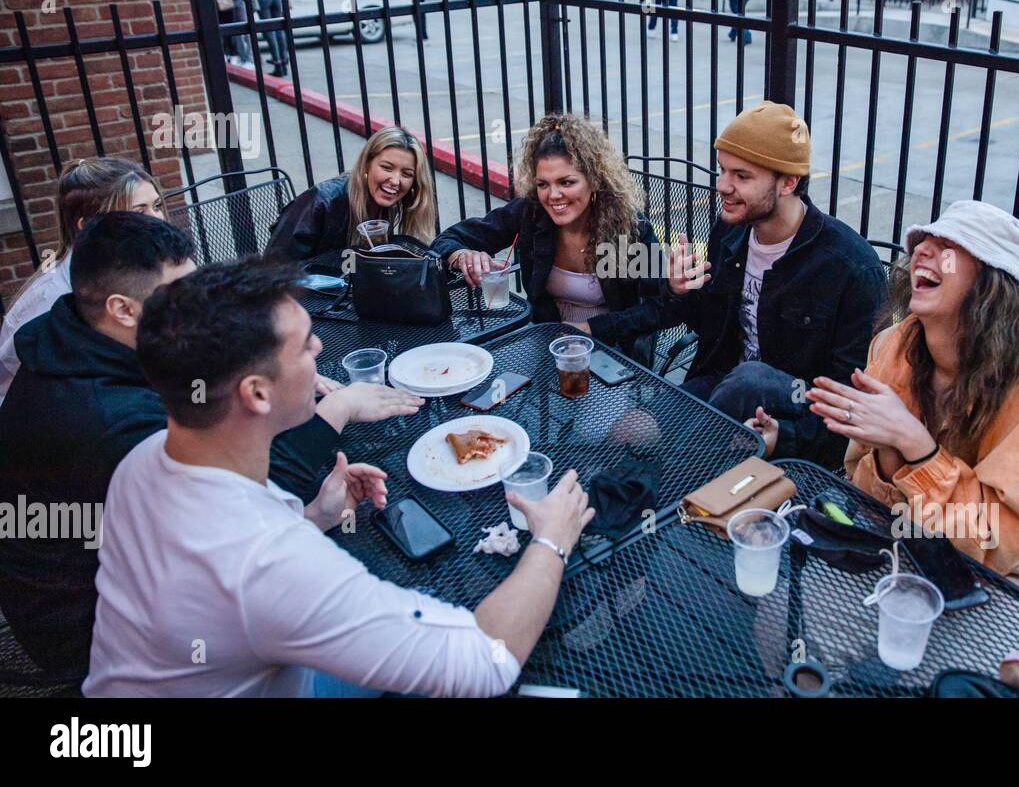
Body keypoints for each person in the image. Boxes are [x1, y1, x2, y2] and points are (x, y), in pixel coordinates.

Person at [84, 257, 593, 697]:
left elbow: (225, 586)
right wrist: (550, 540)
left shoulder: (147, 457)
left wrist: (312, 518)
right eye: (305, 346)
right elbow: (485, 661)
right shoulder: (270, 563)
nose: (321, 349)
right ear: (257, 393)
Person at [0, 213, 422, 676]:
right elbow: (247, 502)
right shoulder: (112, 423)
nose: (197, 306)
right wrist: (333, 412)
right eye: (180, 294)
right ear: (123, 309)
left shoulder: (76, 340)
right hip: (102, 637)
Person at [806, 200, 1019, 622]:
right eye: (924, 240)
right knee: (796, 617)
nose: (922, 249)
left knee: (950, 676)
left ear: (992, 283)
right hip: (910, 532)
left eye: (948, 246)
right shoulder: (894, 347)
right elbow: (865, 484)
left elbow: (995, 540)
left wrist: (915, 445)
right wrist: (891, 452)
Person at [655, 102, 886, 465]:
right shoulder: (730, 231)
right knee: (634, 429)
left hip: (800, 414)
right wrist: (679, 290)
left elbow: (849, 399)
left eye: (741, 176)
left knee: (748, 384)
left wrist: (788, 437)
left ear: (788, 182)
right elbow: (709, 329)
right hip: (724, 383)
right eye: (722, 171)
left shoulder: (851, 269)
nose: (722, 186)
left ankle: (682, 470)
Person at [432, 114, 666, 364]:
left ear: (595, 180)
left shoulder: (627, 229)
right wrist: (461, 255)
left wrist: (595, 328)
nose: (553, 195)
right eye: (543, 184)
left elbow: (661, 306)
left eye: (566, 182)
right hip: (546, 342)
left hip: (615, 351)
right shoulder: (531, 213)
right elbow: (448, 240)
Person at [0, 158, 164, 407]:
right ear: (88, 225)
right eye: (138, 211)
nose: (156, 220)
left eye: (157, 206)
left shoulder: (136, 264)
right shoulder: (51, 298)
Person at [267, 125, 438, 262]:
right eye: (387, 167)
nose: (395, 180)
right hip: (304, 298)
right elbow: (272, 269)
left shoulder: (392, 200)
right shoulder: (322, 201)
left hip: (347, 292)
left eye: (406, 174)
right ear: (366, 165)